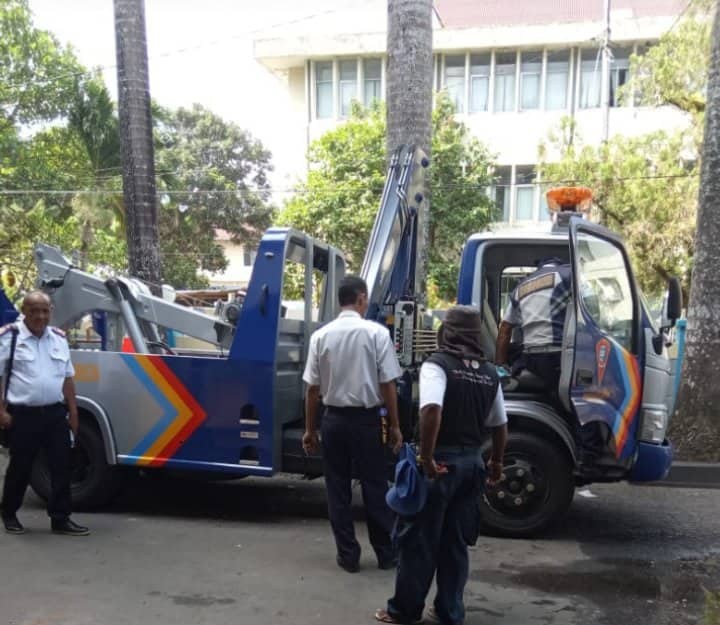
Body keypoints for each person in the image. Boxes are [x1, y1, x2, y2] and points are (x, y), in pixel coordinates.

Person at [375, 305, 507, 625]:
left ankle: (404, 611)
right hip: (472, 464)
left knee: (418, 542)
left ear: (446, 332)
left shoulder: (438, 365)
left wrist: (426, 457)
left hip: (441, 465)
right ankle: (449, 612)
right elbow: (500, 424)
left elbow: (431, 410)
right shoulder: (490, 373)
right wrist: (497, 462)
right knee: (455, 543)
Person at [302, 275, 403, 573]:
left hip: (333, 421)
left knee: (337, 489)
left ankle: (348, 556)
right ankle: (386, 554)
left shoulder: (321, 336)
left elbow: (312, 389)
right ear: (361, 298)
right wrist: (395, 425)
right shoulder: (376, 334)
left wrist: (310, 429)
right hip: (367, 422)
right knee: (375, 486)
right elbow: (388, 384)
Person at [0, 291, 89, 536]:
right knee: (21, 467)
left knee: (62, 466)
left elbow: (67, 377)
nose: (40, 316)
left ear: (51, 312)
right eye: (34, 311)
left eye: (45, 311)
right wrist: (1, 411)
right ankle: (9, 513)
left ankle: (60, 518)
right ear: (24, 311)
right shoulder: (10, 336)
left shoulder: (58, 338)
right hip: (23, 414)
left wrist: (73, 413)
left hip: (54, 413)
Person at [495, 258, 571, 393]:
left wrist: (500, 369)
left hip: (530, 360)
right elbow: (592, 309)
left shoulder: (521, 286)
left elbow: (505, 329)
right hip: (558, 357)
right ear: (558, 264)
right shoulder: (568, 274)